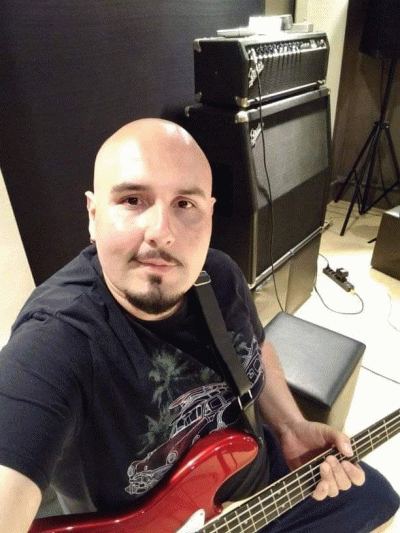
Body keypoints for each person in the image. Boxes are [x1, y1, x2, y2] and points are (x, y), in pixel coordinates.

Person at [0, 118, 398, 533]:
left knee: (380, 503)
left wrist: (290, 427)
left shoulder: (219, 277)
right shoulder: (57, 338)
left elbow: (255, 349)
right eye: (133, 200)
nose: (161, 233)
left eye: (184, 204)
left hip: (250, 485)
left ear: (209, 214)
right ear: (93, 215)